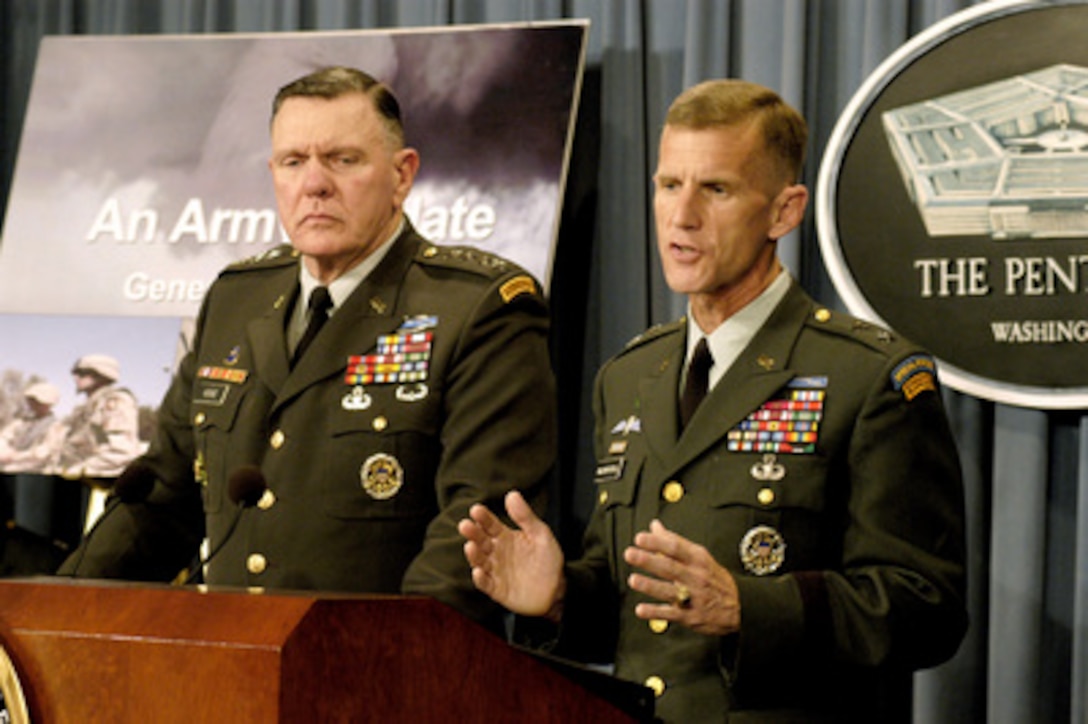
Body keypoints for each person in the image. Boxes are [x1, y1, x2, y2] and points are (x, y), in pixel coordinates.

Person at [460, 79, 967, 722]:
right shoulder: (629, 376)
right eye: (669, 185)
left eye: (716, 189)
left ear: (784, 211)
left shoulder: (870, 377)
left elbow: (929, 608)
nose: (683, 215)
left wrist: (747, 609)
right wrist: (560, 596)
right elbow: (634, 607)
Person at [59, 66, 556, 633]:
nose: (314, 183)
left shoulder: (478, 309)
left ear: (402, 175)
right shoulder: (237, 300)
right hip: (229, 674)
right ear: (274, 174)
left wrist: (385, 670)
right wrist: (54, 608)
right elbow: (163, 495)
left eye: (343, 160)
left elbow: (470, 536)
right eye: (294, 162)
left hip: (381, 684)